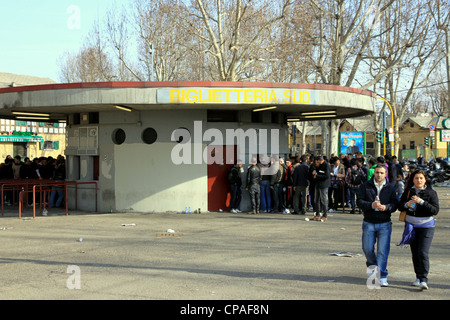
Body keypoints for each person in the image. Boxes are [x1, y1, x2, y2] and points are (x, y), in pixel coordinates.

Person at [357, 164, 398, 287]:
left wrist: (386, 207)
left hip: (384, 223)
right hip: (369, 222)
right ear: (373, 173)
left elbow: (395, 204)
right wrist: (371, 205)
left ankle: (382, 275)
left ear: (385, 174)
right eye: (377, 173)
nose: (379, 175)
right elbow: (359, 201)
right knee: (367, 248)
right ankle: (373, 268)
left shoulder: (390, 188)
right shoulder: (365, 186)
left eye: (381, 173)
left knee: (382, 251)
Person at [397, 170, 439, 290]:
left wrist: (421, 202)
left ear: (425, 179)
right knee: (415, 253)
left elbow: (435, 210)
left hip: (426, 226)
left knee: (422, 252)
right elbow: (400, 206)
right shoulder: (408, 191)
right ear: (412, 179)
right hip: (411, 226)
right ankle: (418, 277)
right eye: (416, 178)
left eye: (421, 178)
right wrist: (407, 204)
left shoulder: (431, 193)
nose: (419, 180)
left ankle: (424, 279)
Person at [312, 155, 331, 221]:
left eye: (317, 161)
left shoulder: (326, 165)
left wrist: (317, 176)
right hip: (318, 184)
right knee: (316, 199)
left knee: (324, 199)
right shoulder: (319, 166)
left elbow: (327, 175)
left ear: (321, 160)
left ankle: (325, 214)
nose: (316, 162)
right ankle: (317, 214)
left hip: (323, 185)